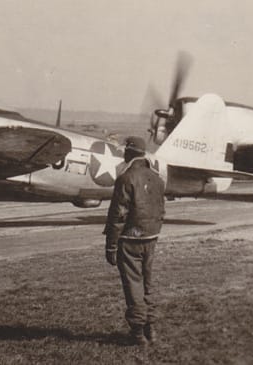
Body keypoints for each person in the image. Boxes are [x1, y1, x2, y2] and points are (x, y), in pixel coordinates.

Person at [103, 136, 166, 346]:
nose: (123, 154)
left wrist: (111, 244)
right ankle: (151, 328)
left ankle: (138, 333)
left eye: (125, 151)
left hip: (130, 239)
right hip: (151, 237)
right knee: (148, 284)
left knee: (133, 285)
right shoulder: (157, 178)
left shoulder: (126, 178)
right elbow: (161, 210)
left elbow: (119, 214)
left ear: (129, 153)